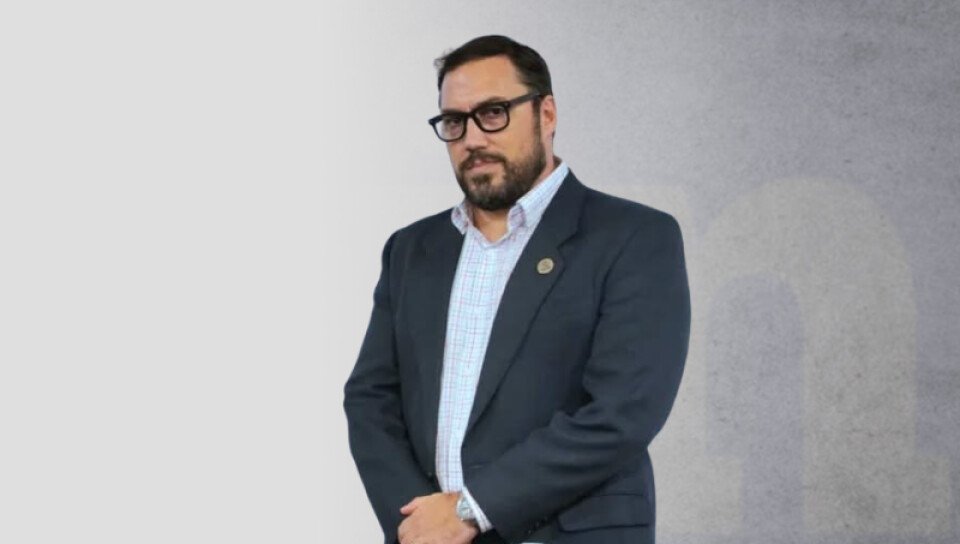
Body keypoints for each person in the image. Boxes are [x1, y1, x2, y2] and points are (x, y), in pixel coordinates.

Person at [343, 35, 690, 544]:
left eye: (493, 113)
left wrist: (469, 511)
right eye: (454, 122)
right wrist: (419, 525)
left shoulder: (634, 237)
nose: (472, 138)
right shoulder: (411, 250)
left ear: (546, 114)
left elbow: (622, 412)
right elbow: (370, 399)